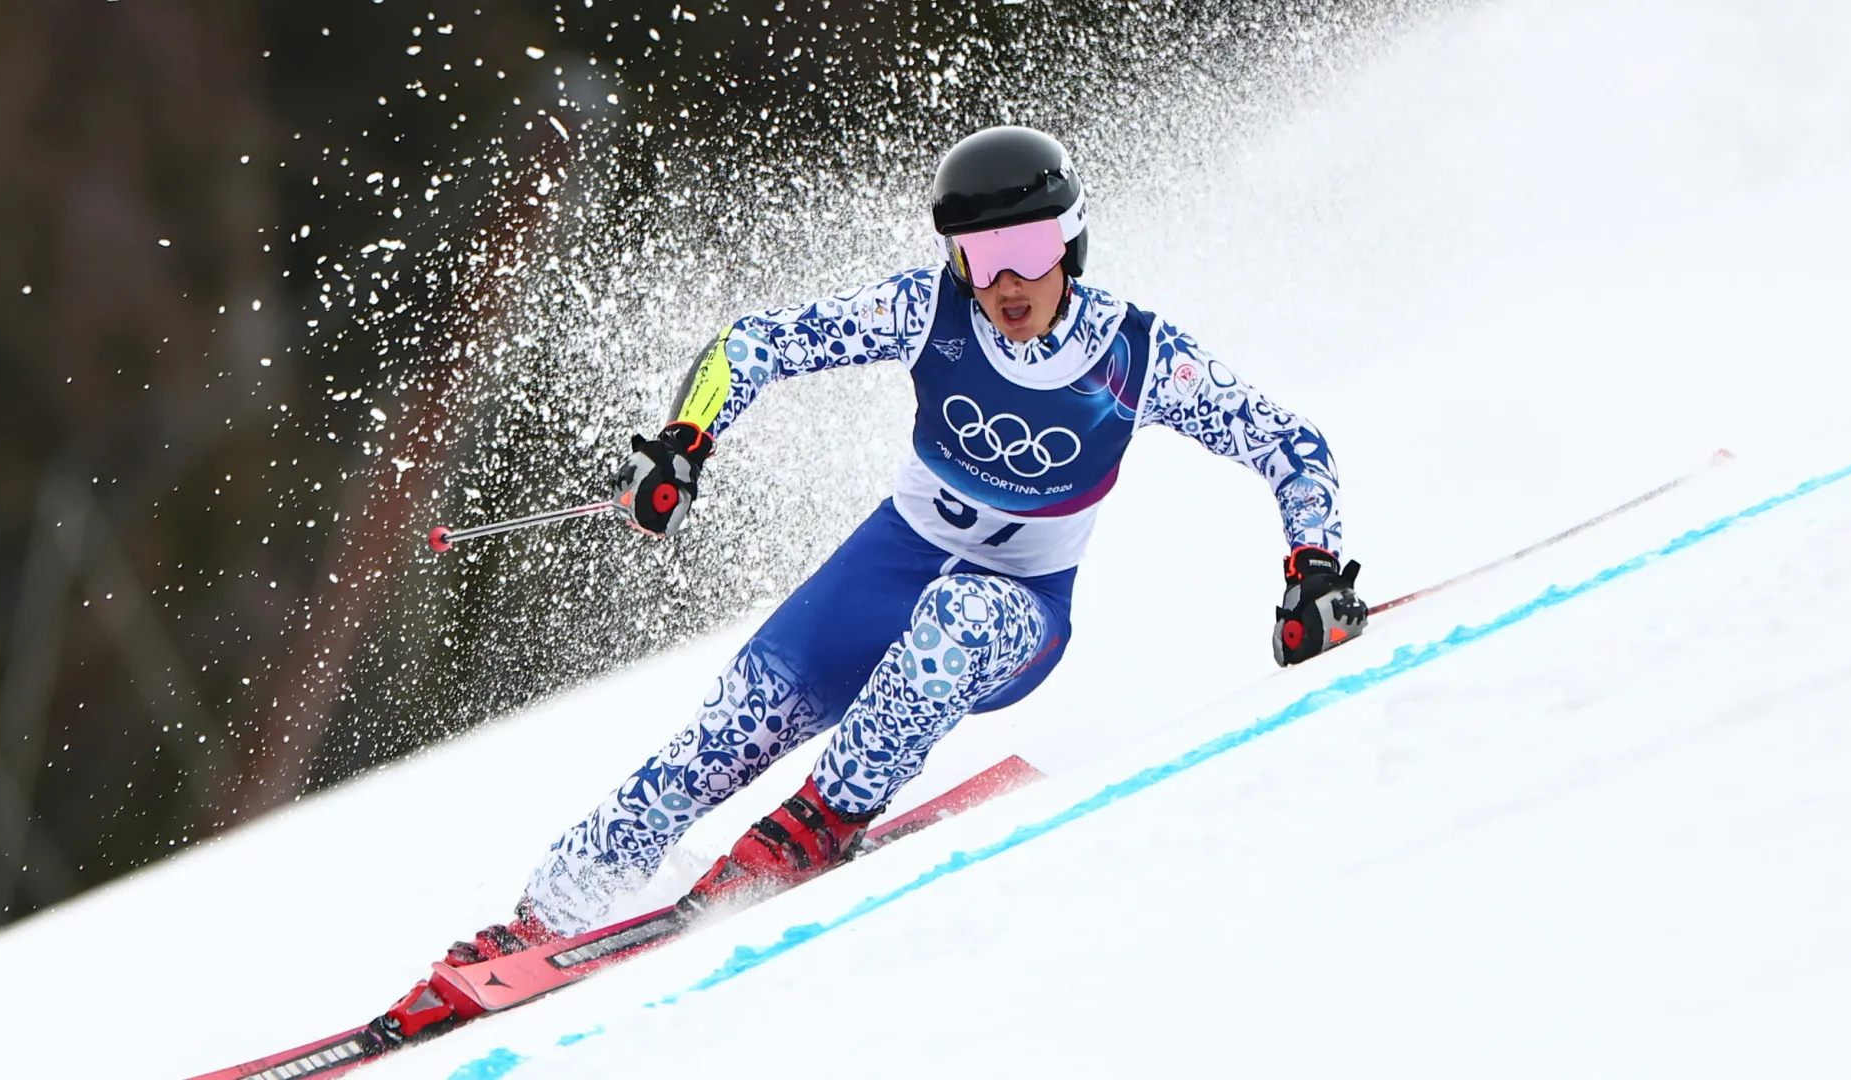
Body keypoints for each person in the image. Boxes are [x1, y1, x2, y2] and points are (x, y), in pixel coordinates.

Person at [446, 124, 1368, 964]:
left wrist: (1313, 566)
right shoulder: (929, 311)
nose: (1007, 280)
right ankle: (542, 920)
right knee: (728, 727)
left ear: (1071, 241)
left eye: (1030, 248)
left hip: (1019, 606)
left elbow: (1288, 443)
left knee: (955, 620)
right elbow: (756, 342)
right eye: (980, 252)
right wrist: (687, 440)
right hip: (887, 566)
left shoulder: (1135, 354)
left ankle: (818, 820)